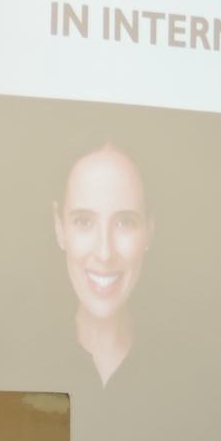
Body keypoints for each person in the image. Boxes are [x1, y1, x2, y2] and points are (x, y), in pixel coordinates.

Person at [51, 142, 155, 388]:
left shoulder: (191, 374)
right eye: (84, 221)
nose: (105, 253)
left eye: (125, 222)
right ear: (59, 228)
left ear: (149, 232)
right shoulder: (16, 361)